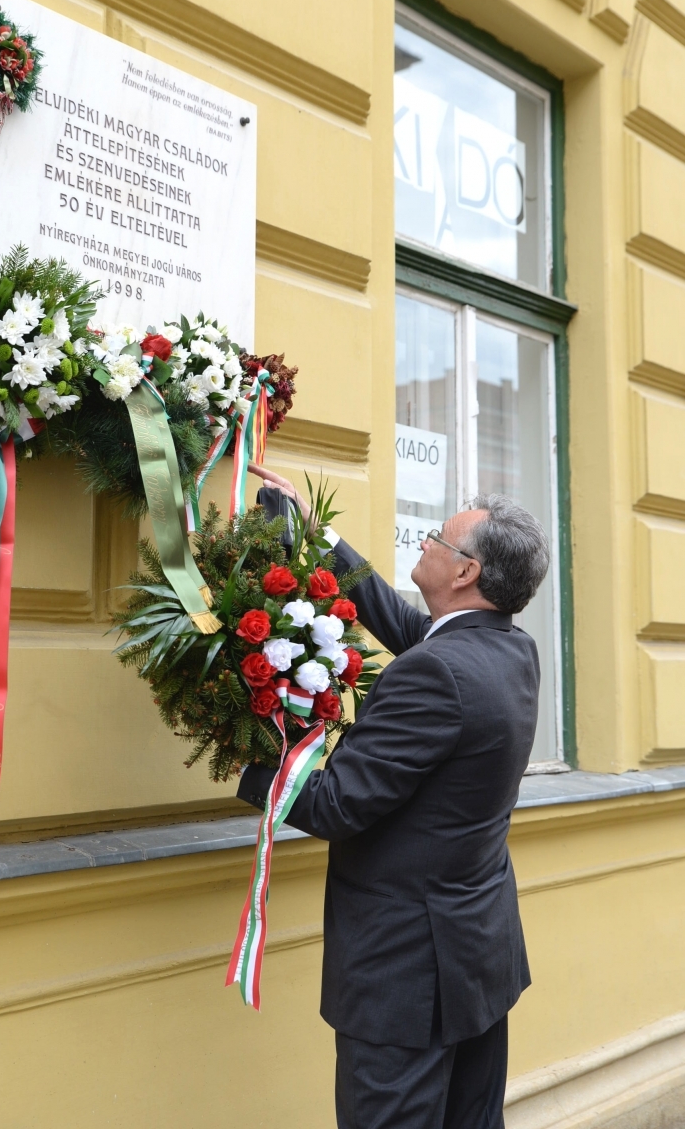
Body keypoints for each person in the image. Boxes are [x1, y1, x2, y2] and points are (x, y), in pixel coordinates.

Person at [238, 464, 551, 1129]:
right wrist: (320, 538)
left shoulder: (438, 672)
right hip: (476, 961)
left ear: (466, 572)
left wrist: (246, 748)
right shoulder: (509, 650)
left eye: (436, 539)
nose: (424, 544)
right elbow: (413, 629)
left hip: (405, 978)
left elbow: (335, 807)